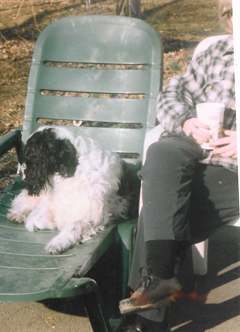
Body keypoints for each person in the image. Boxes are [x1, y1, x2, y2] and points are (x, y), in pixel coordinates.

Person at [119, 0, 238, 331]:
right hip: (192, 145)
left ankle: (149, 312)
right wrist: (187, 122)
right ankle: (160, 280)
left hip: (231, 166)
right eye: (232, 16)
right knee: (160, 154)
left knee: (162, 208)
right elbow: (171, 96)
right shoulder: (216, 54)